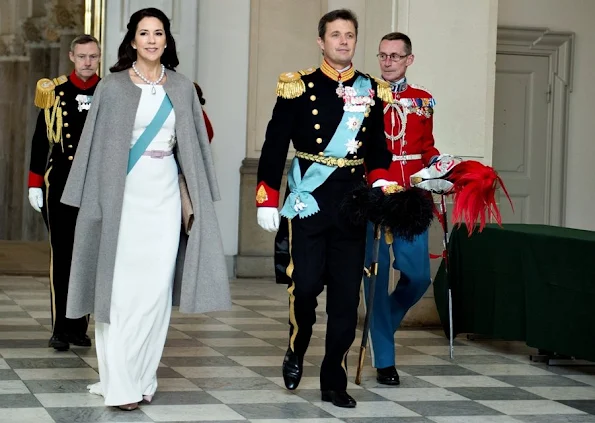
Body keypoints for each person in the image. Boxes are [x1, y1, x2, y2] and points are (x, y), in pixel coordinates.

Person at [60, 7, 231, 411]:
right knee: (117, 293)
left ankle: (142, 375)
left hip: (164, 198)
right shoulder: (113, 87)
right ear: (132, 40)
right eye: (144, 33)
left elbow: (193, 148)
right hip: (122, 200)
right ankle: (119, 382)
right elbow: (95, 150)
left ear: (166, 40)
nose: (152, 39)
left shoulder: (183, 87)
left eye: (158, 33)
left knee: (154, 296)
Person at [256, 9, 395, 408]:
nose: (343, 41)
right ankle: (296, 348)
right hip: (309, 201)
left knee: (346, 298)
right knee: (306, 289)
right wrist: (266, 195)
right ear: (322, 41)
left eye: (349, 35)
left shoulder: (370, 89)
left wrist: (383, 180)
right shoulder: (297, 86)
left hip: (352, 204)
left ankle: (333, 377)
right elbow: (274, 143)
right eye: (335, 35)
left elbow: (378, 150)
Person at [362, 32, 441, 385]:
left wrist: (441, 166)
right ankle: (385, 360)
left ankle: (384, 324)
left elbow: (426, 146)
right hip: (377, 193)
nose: (388, 62)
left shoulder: (423, 100)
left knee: (419, 275)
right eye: (383, 56)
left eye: (395, 56)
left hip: (412, 196)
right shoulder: (364, 96)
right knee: (376, 281)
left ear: (409, 59)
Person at [27, 34, 102, 351]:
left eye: (93, 56)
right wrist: (34, 183)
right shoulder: (55, 91)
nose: (87, 62)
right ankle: (60, 327)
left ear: (99, 58)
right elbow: (40, 140)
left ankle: (79, 327)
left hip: (96, 184)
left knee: (88, 256)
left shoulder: (108, 92)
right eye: (82, 56)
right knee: (63, 254)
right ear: (71, 56)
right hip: (60, 182)